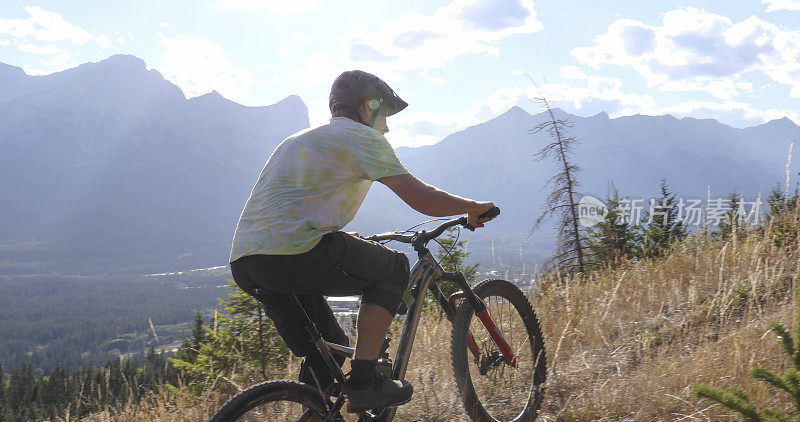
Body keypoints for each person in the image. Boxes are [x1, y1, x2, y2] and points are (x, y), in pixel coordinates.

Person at [229, 70, 496, 413]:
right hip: (296, 253)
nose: (386, 126)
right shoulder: (361, 137)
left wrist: (331, 237)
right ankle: (366, 383)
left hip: (248, 263)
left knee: (329, 347)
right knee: (393, 268)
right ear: (368, 107)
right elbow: (422, 198)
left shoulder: (298, 139)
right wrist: (472, 207)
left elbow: (290, 207)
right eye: (384, 114)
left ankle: (316, 412)